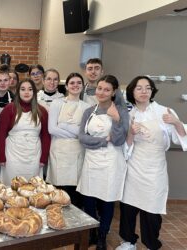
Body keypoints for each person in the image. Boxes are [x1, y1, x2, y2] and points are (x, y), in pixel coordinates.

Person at [115, 76, 187, 250]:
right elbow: (124, 147)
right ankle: (128, 241)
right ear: (132, 91)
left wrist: (176, 122)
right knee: (128, 207)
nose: (143, 91)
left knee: (152, 209)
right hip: (133, 166)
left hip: (155, 168)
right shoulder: (128, 114)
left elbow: (180, 139)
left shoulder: (164, 111)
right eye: (139, 88)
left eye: (148, 88)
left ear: (152, 91)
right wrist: (131, 133)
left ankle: (151, 243)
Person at [77, 75, 129, 250]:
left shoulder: (121, 112)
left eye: (107, 89)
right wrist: (101, 141)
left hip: (112, 162)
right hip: (91, 162)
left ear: (114, 92)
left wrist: (115, 120)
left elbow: (119, 140)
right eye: (99, 88)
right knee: (89, 200)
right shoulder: (89, 111)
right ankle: (92, 231)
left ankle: (102, 236)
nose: (102, 92)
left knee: (107, 201)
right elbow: (82, 138)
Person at [47, 73, 90, 208]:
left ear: (82, 86)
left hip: (77, 153)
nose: (75, 85)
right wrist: (75, 131)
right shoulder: (57, 103)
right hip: (58, 152)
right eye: (72, 83)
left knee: (74, 192)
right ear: (66, 86)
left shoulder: (87, 107)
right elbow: (52, 129)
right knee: (59, 192)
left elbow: (83, 132)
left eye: (78, 83)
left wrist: (64, 126)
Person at [0, 79, 50, 186]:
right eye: (23, 89)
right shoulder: (9, 109)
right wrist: (2, 157)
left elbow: (45, 136)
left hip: (34, 156)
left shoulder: (42, 111)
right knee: (11, 187)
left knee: (32, 188)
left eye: (30, 89)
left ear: (34, 92)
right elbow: (1, 134)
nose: (26, 92)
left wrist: (43, 158)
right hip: (12, 156)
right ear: (18, 92)